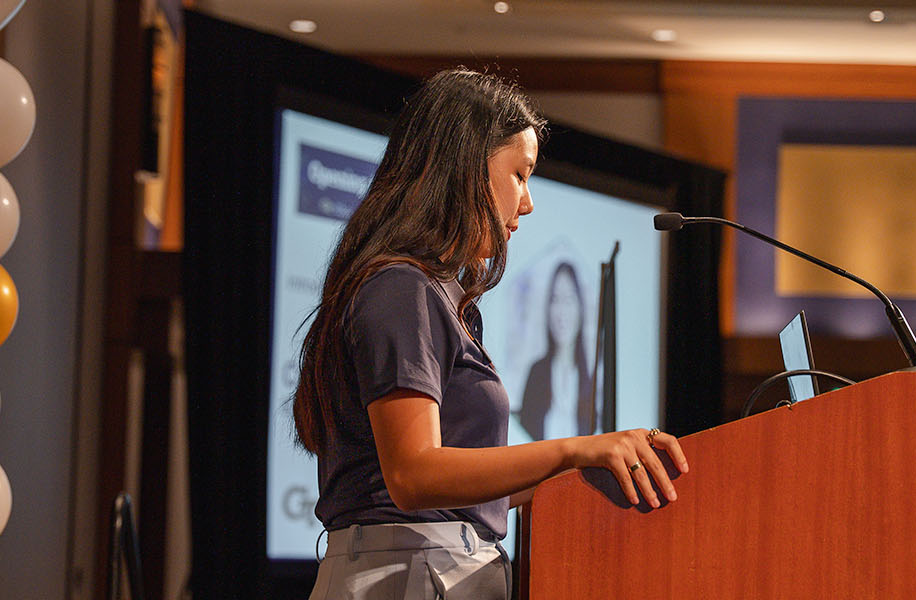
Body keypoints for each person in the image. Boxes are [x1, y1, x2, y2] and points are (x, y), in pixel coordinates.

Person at [291, 69, 688, 599]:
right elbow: (413, 475)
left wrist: (594, 463)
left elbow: (466, 494)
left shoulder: (437, 295)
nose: (526, 203)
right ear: (467, 168)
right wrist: (573, 450)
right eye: (520, 175)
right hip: (407, 576)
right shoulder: (400, 287)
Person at [518, 261, 596, 441]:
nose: (561, 312)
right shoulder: (536, 373)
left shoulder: (590, 378)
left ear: (580, 308)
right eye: (555, 299)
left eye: (569, 300)